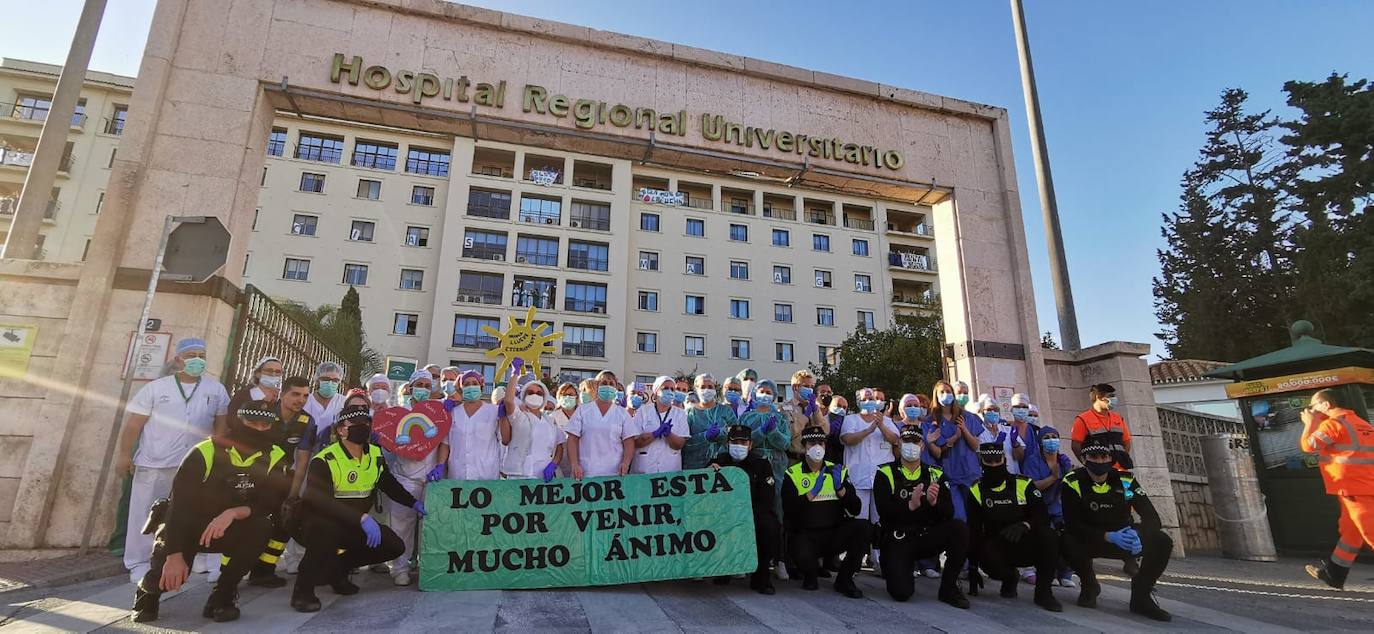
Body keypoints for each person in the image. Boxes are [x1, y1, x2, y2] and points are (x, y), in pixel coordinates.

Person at [130, 400, 290, 623]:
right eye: (252, 423)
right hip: (188, 525)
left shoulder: (275, 456)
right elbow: (179, 506)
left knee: (262, 526)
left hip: (230, 527)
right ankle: (148, 591)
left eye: (265, 425)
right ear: (238, 421)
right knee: (169, 577)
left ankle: (223, 595)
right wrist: (175, 556)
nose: (259, 429)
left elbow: (270, 502)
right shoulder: (206, 451)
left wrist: (232, 513)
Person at [118, 337, 231, 585]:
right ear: (179, 359)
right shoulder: (157, 388)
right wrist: (124, 455)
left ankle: (200, 558)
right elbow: (134, 425)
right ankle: (139, 562)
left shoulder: (216, 390)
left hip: (196, 465)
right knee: (145, 513)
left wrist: (220, 462)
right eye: (191, 355)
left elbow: (220, 428)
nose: (197, 360)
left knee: (196, 512)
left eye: (201, 355)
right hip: (155, 460)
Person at [291, 405, 424, 612]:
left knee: (393, 545)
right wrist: (361, 518)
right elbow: (319, 501)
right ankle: (303, 591)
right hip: (318, 521)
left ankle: (336, 571)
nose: (363, 427)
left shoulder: (374, 454)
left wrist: (414, 503)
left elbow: (389, 484)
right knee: (324, 532)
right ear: (341, 430)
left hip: (352, 524)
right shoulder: (325, 459)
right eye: (355, 424)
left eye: (366, 423)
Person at [1060, 439, 1172, 621]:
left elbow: (1152, 517)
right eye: (1094, 457)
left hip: (1125, 538)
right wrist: (1107, 536)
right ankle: (1089, 585)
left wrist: (1138, 534)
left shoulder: (1125, 480)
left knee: (1162, 541)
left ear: (1110, 458)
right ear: (1084, 458)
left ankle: (1141, 597)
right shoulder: (1072, 481)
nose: (1100, 461)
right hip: (1091, 539)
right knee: (1066, 540)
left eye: (1104, 456)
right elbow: (1072, 523)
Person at [872, 424, 969, 607]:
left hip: (925, 536)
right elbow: (883, 511)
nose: (911, 445)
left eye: (915, 441)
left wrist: (934, 504)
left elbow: (948, 512)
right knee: (901, 593)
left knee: (959, 528)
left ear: (922, 446)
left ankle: (949, 588)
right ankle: (897, 568)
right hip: (897, 538)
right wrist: (910, 505)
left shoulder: (936, 473)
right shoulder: (884, 473)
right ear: (899, 444)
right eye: (906, 441)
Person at [966, 442, 1063, 612]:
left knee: (1048, 536)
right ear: (981, 462)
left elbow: (1042, 515)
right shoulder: (976, 490)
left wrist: (1025, 524)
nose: (995, 465)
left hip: (1025, 541)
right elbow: (974, 530)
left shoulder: (1023, 484)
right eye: (990, 462)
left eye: (998, 461)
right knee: (986, 555)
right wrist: (973, 567)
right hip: (996, 545)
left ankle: (1043, 592)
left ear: (1004, 460)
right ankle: (1010, 578)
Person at [371, 370, 443, 587]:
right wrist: (382, 440)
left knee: (431, 527)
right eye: (418, 384)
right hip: (404, 478)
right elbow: (390, 449)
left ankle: (427, 567)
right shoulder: (398, 414)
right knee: (401, 526)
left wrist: (439, 466)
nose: (422, 388)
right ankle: (400, 569)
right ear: (410, 387)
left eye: (427, 385)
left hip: (432, 479)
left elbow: (444, 443)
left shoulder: (438, 414)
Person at [782, 426, 869, 598]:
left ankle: (845, 580)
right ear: (804, 446)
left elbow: (855, 508)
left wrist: (841, 489)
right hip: (806, 534)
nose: (817, 447)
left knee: (863, 527)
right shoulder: (792, 473)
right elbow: (790, 510)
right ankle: (810, 574)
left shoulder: (838, 471)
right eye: (812, 443)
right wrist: (811, 494)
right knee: (804, 559)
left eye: (821, 443)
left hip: (833, 533)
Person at [1300, 389, 1374, 589]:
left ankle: (1334, 574)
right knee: (1351, 533)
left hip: (1353, 488)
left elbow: (1309, 445)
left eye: (1313, 406)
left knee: (1370, 533)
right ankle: (1334, 574)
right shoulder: (1361, 424)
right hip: (1363, 486)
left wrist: (1310, 423)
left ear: (1326, 405)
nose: (1311, 411)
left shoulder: (1333, 423)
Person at [246, 376, 316, 588]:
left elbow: (302, 461)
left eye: (305, 396)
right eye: (295, 394)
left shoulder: (306, 421)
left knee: (284, 522)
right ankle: (233, 570)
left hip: (283, 477)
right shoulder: (264, 412)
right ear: (283, 393)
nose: (300, 400)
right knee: (250, 522)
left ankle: (265, 570)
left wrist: (293, 496)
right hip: (254, 476)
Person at [709, 424, 781, 594]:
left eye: (743, 442)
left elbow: (767, 498)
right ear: (728, 443)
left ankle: (762, 576)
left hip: (753, 512)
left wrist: (744, 515)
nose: (739, 445)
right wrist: (709, 472)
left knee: (769, 526)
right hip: (725, 514)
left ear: (750, 445)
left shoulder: (761, 464)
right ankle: (723, 569)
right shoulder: (719, 461)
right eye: (735, 441)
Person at [841, 387, 901, 568]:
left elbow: (895, 440)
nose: (869, 401)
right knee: (859, 520)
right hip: (858, 478)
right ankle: (854, 560)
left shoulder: (887, 421)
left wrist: (880, 425)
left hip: (881, 479)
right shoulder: (850, 419)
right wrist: (869, 429)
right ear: (858, 402)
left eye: (871, 398)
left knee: (880, 520)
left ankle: (879, 559)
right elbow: (847, 439)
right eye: (865, 398)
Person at [926, 381, 982, 521]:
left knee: (975, 516)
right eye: (942, 392)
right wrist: (954, 438)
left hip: (970, 473)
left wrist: (964, 430)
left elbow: (976, 446)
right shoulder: (931, 421)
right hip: (948, 475)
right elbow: (937, 452)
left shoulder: (967, 417)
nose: (946, 395)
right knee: (958, 517)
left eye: (949, 391)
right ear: (936, 396)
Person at [566, 371, 636, 479]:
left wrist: (626, 463)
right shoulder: (583, 411)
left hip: (614, 473)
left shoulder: (622, 413)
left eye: (611, 384)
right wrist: (574, 464)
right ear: (597, 386)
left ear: (616, 387)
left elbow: (629, 442)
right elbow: (572, 439)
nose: (607, 386)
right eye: (604, 383)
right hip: (585, 472)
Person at [437, 370, 502, 481]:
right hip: (458, 474)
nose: (471, 387)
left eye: (474, 383)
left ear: (481, 386)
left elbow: (503, 440)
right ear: (461, 388)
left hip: (486, 474)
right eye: (466, 384)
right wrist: (440, 465)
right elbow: (445, 443)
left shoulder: (493, 411)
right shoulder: (453, 412)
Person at [500, 373, 566, 481]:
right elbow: (508, 400)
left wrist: (553, 464)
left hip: (543, 477)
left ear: (544, 398)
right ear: (524, 396)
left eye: (539, 393)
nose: (535, 395)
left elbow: (560, 446)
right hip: (518, 476)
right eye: (530, 392)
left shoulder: (550, 421)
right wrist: (514, 374)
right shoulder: (518, 415)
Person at [739, 379, 792, 512]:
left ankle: (777, 530)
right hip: (753, 463)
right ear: (755, 394)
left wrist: (774, 432)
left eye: (768, 392)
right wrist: (761, 432)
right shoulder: (746, 418)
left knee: (776, 498)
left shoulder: (780, 418)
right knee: (753, 498)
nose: (765, 394)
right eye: (761, 391)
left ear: (774, 396)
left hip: (776, 465)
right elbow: (743, 442)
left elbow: (785, 444)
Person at [630, 376, 689, 473]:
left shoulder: (680, 414)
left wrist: (669, 435)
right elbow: (635, 442)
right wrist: (654, 434)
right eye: (665, 388)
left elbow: (680, 444)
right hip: (644, 469)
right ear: (656, 391)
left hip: (670, 468)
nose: (669, 391)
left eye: (672, 389)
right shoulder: (643, 411)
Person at [1071, 383, 1133, 470]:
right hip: (1098, 470)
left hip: (1121, 469)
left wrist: (1122, 458)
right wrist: (1087, 464)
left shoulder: (1118, 418)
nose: (1114, 399)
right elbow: (1075, 446)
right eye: (1110, 396)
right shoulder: (1082, 419)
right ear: (1098, 397)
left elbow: (1126, 442)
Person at [684, 373, 736, 470]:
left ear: (715, 389)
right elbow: (684, 443)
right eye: (703, 387)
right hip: (695, 467)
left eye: (710, 387)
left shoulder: (726, 411)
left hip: (723, 465)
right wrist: (704, 436)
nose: (706, 390)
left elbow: (736, 434)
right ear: (696, 389)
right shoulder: (689, 413)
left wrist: (722, 433)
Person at [783, 370, 827, 463]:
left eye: (812, 387)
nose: (810, 390)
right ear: (795, 387)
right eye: (806, 386)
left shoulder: (814, 407)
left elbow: (825, 431)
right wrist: (805, 416)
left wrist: (816, 411)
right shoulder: (784, 408)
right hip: (794, 459)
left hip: (814, 459)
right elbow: (789, 433)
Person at [303, 362, 347, 449]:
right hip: (303, 447)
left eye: (335, 380)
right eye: (326, 379)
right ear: (318, 379)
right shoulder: (306, 401)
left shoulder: (344, 402)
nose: (330, 383)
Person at [975, 398, 1025, 474]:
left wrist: (1015, 443)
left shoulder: (1008, 430)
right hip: (991, 477)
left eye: (996, 410)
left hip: (1012, 475)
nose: (993, 412)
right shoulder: (978, 432)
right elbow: (979, 459)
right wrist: (996, 446)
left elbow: (1019, 457)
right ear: (982, 412)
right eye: (989, 410)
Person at [550, 382, 580, 475]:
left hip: (579, 462)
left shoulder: (583, 415)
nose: (567, 397)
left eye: (571, 395)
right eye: (564, 395)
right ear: (559, 397)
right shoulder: (552, 417)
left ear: (576, 397)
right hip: (558, 462)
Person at [824, 395, 850, 465]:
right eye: (838, 405)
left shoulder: (848, 422)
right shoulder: (822, 420)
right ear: (830, 406)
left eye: (844, 407)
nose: (841, 409)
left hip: (841, 459)